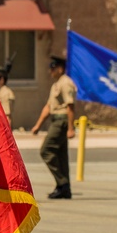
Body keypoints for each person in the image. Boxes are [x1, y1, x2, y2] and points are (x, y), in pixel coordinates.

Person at [32, 54, 76, 200]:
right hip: (55, 119)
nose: (50, 71)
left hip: (61, 121)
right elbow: (48, 106)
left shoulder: (66, 83)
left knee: (46, 151)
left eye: (53, 68)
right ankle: (64, 188)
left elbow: (70, 106)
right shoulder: (56, 84)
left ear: (60, 68)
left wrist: (71, 128)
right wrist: (38, 125)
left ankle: (62, 183)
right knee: (61, 156)